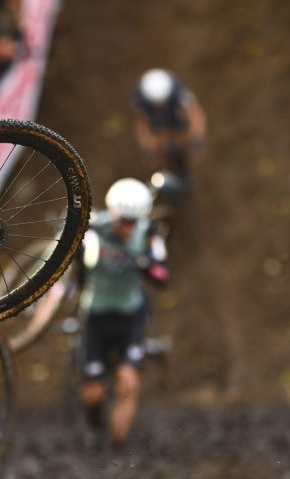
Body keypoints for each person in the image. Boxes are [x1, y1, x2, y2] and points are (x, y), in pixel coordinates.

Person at [78, 178, 168, 448]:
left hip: (130, 316)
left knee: (128, 382)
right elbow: (75, 266)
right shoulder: (93, 229)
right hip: (96, 315)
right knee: (93, 394)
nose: (127, 228)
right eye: (122, 221)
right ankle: (94, 416)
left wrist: (147, 265)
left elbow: (163, 277)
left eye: (133, 222)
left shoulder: (150, 233)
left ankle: (118, 448)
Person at [132, 68, 207, 175]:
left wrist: (196, 139)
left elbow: (195, 114)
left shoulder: (178, 91)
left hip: (175, 118)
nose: (161, 106)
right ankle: (164, 173)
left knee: (184, 142)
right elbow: (141, 125)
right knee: (156, 156)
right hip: (156, 123)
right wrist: (150, 148)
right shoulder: (141, 99)